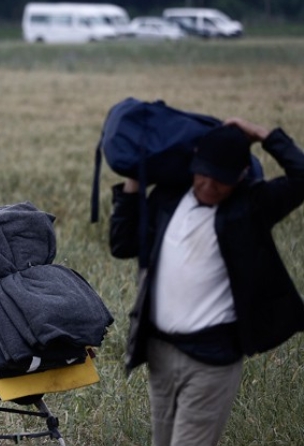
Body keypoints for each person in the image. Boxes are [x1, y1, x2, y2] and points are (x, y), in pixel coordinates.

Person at [109, 118, 304, 446]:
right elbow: (122, 243)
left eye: (222, 180)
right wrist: (134, 178)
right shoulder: (168, 198)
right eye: (204, 175)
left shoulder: (250, 206)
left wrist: (264, 135)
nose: (210, 186)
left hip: (211, 359)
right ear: (194, 163)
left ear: (241, 176)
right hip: (159, 352)